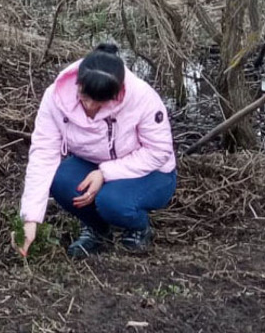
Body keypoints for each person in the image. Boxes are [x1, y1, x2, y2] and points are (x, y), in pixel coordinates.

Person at [18, 43, 176, 259]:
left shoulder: (142, 97)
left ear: (116, 94)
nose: (90, 106)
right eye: (85, 97)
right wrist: (30, 219)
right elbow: (43, 153)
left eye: (99, 102)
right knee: (60, 179)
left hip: (151, 172)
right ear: (78, 84)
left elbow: (159, 152)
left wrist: (105, 173)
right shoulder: (55, 97)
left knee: (111, 201)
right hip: (92, 163)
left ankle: (138, 228)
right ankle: (98, 229)